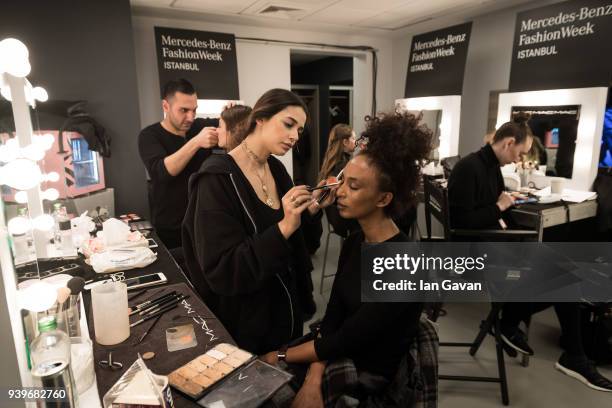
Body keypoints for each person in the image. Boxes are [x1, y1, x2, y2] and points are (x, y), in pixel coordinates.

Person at [261, 111, 431, 406]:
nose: (339, 191)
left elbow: (347, 339)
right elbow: (334, 319)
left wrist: (278, 356)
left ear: (383, 199)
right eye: (343, 182)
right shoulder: (355, 242)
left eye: (353, 187)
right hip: (337, 353)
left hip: (373, 377)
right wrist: (314, 379)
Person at [448, 113, 612, 392]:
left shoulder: (489, 167)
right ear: (509, 143)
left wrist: (506, 205)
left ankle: (520, 327)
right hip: (475, 258)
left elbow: (490, 208)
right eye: (519, 153)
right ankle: (547, 342)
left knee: (564, 269)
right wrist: (499, 208)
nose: (518, 160)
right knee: (563, 276)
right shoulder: (469, 168)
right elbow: (460, 224)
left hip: (495, 245)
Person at [182, 89, 332, 355]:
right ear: (260, 118)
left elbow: (298, 243)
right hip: (244, 327)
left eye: (299, 130)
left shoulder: (276, 169)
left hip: (283, 315)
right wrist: (284, 226)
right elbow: (224, 269)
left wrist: (312, 207)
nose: (295, 137)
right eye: (288, 124)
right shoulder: (216, 181)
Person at [138, 78, 219, 249]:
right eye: (184, 110)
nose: (190, 117)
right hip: (172, 229)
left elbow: (230, 127)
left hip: (206, 223)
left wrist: (229, 117)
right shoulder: (150, 136)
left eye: (194, 110)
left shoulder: (199, 126)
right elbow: (162, 172)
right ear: (166, 106)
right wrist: (196, 142)